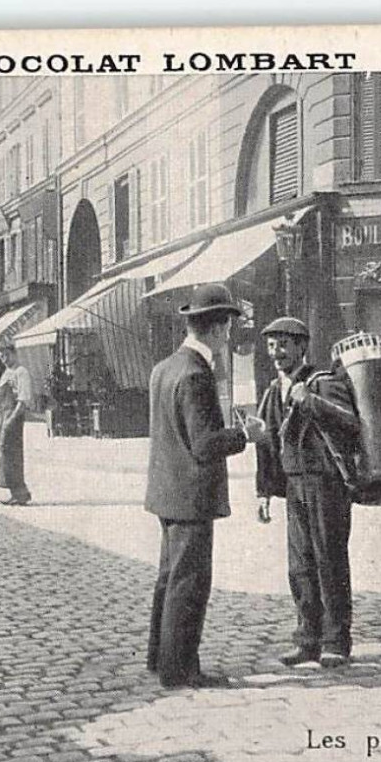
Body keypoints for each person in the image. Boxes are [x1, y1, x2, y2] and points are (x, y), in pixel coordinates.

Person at [145, 283, 266, 689]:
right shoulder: (197, 375)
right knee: (190, 581)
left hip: (166, 491)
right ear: (217, 328)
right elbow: (204, 445)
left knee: (169, 576)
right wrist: (245, 435)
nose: (229, 334)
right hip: (192, 494)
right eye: (228, 325)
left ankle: (160, 657)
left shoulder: (164, 368)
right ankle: (180, 669)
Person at [253, 316, 363, 668]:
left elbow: (350, 422)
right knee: (300, 565)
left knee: (329, 560)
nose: (277, 352)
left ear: (302, 346)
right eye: (272, 345)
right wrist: (263, 492)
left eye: (284, 344)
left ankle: (336, 640)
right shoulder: (274, 389)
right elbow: (268, 442)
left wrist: (309, 401)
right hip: (294, 484)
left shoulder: (323, 382)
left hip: (326, 483)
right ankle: (307, 640)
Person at [0, 340, 34, 506]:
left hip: (14, 417)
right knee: (3, 457)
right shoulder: (6, 373)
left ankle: (20, 493)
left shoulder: (21, 372)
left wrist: (11, 420)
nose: (4, 358)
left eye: (6, 355)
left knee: (13, 455)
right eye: (1, 356)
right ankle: (15, 492)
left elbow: (23, 400)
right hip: (4, 417)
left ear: (14, 353)